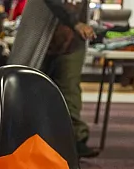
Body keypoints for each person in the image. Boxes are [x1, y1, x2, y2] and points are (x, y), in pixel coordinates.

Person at [42, 0, 99, 158]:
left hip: (73, 41)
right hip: (42, 36)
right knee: (36, 90)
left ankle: (75, 139)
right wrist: (76, 23)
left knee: (69, 90)